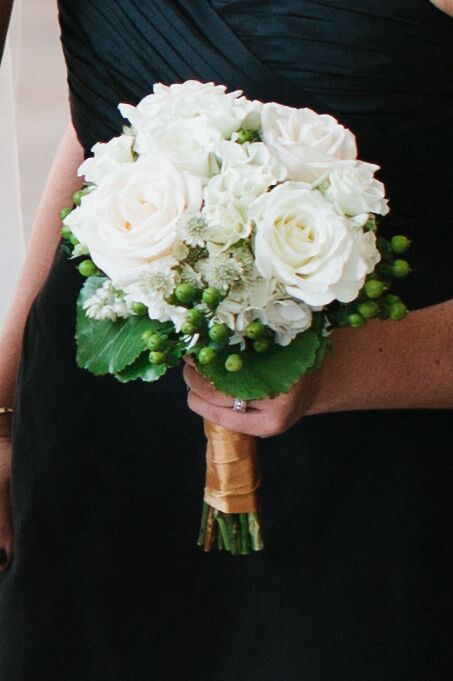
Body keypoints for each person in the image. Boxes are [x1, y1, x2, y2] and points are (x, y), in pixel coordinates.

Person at [0, 1, 452, 679]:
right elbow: (102, 121)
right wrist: (4, 396)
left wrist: (336, 374)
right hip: (93, 446)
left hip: (373, 482)